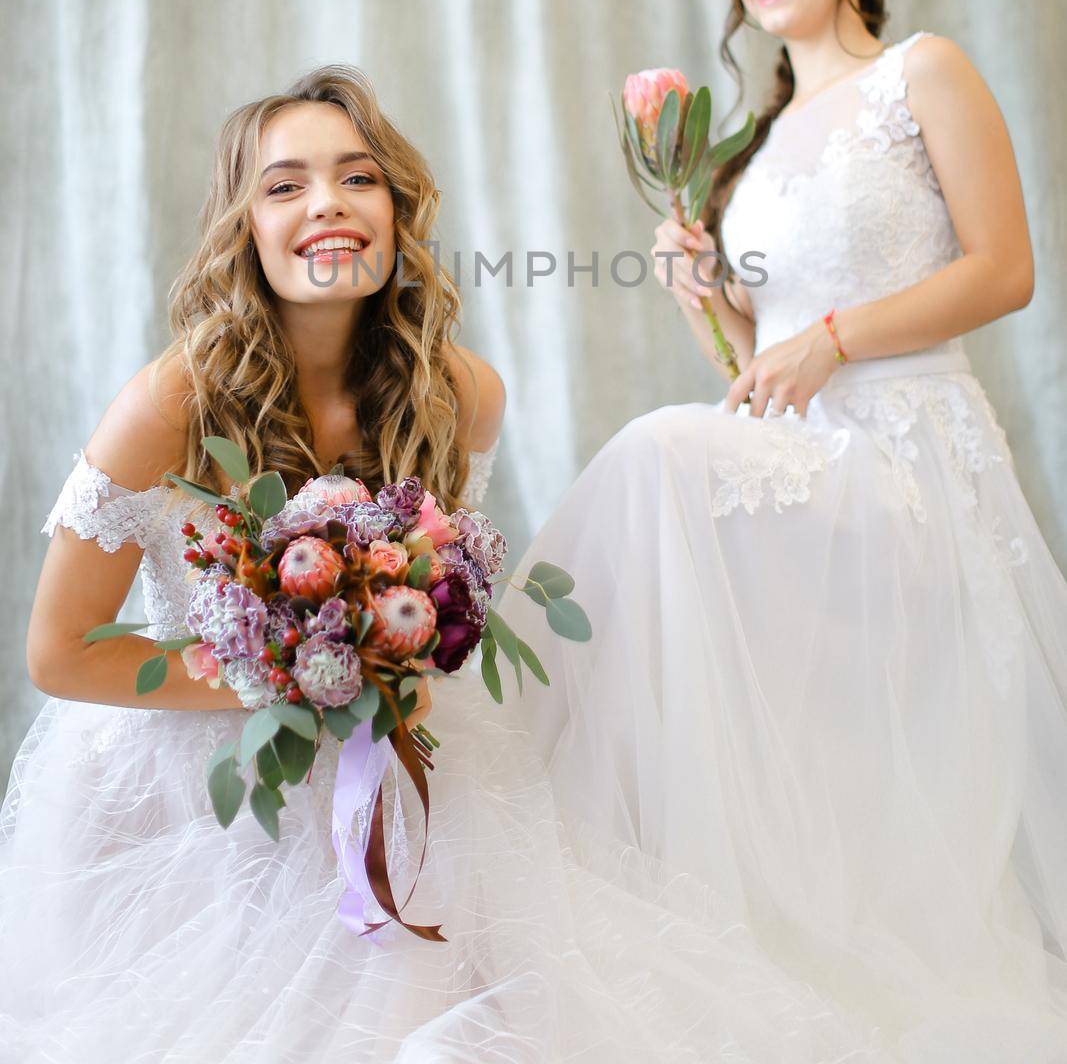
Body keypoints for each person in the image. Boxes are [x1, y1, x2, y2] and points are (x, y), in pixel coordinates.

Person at [1, 63, 903, 1064]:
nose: (327, 206)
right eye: (284, 184)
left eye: (357, 178)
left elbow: (430, 601)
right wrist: (279, 673)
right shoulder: (172, 402)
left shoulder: (458, 392)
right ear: (242, 227)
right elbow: (59, 653)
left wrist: (388, 670)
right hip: (197, 774)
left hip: (395, 752)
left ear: (395, 211)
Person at [500, 0, 1067, 1061]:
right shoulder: (748, 149)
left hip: (910, 455)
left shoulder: (923, 73)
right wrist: (697, 290)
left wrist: (829, 336)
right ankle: (561, 834)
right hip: (805, 454)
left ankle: (497, 741)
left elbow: (1003, 270)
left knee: (654, 455)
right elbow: (748, 370)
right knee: (662, 476)